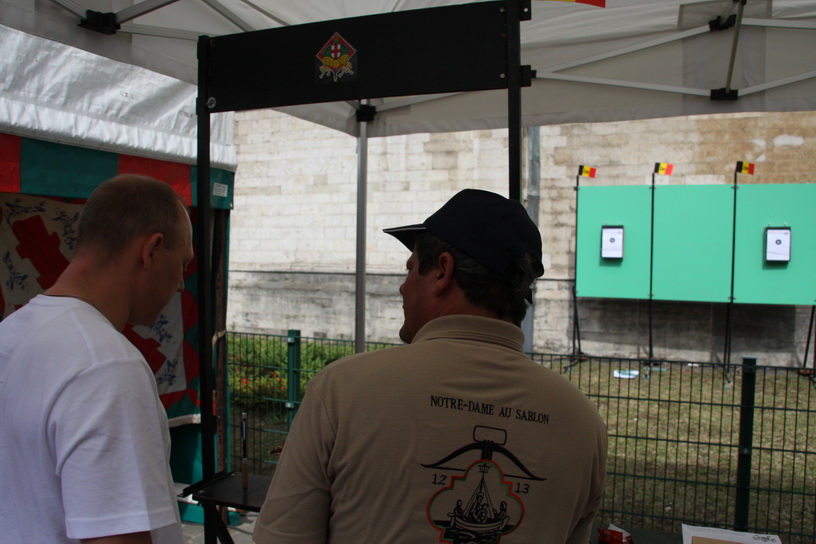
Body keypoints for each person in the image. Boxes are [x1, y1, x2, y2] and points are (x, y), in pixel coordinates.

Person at [253, 188, 607, 544]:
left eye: (410, 269)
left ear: (442, 271)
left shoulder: (341, 391)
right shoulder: (583, 424)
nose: (402, 288)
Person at [0, 174, 193, 543]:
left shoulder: (10, 333)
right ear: (151, 250)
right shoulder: (107, 365)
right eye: (182, 263)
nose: (181, 283)